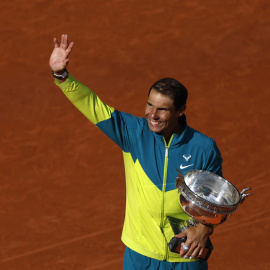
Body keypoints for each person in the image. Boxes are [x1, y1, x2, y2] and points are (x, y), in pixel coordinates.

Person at [49, 34, 223, 270]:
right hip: (139, 256)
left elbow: (215, 202)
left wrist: (204, 228)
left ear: (181, 110)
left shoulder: (204, 147)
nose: (152, 115)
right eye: (150, 104)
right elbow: (92, 105)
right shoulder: (133, 133)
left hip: (185, 258)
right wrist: (62, 76)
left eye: (162, 109)